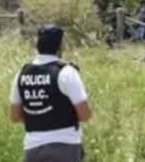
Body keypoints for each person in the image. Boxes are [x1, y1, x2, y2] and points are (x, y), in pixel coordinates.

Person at [9, 24, 91, 162]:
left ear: (37, 46)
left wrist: (40, 118)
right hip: (65, 147)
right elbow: (85, 115)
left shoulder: (21, 74)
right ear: (60, 47)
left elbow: (15, 116)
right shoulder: (66, 72)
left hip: (32, 148)